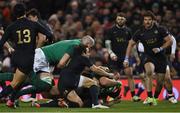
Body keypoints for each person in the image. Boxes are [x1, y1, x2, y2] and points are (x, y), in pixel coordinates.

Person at [0, 3, 54, 103]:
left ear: (14, 13)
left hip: (16, 58)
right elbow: (49, 34)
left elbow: (1, 43)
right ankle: (10, 98)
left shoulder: (12, 26)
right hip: (28, 58)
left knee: (18, 80)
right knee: (15, 83)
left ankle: (11, 101)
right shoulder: (33, 24)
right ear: (25, 12)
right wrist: (50, 40)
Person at [123, 11, 173, 105]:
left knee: (160, 82)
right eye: (145, 20)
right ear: (143, 21)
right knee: (149, 72)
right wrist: (126, 58)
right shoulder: (140, 31)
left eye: (149, 20)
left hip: (160, 56)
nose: (147, 21)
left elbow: (169, 41)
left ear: (153, 20)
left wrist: (160, 48)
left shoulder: (160, 29)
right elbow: (130, 44)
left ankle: (155, 98)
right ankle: (149, 97)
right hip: (148, 56)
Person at [105, 12, 137, 101]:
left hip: (125, 56)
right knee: (115, 76)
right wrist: (111, 53)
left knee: (129, 74)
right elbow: (107, 43)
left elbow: (132, 44)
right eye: (119, 19)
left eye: (122, 19)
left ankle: (133, 96)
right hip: (114, 57)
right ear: (116, 19)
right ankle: (111, 96)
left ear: (125, 20)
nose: (120, 20)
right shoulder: (111, 30)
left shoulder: (128, 31)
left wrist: (136, 57)